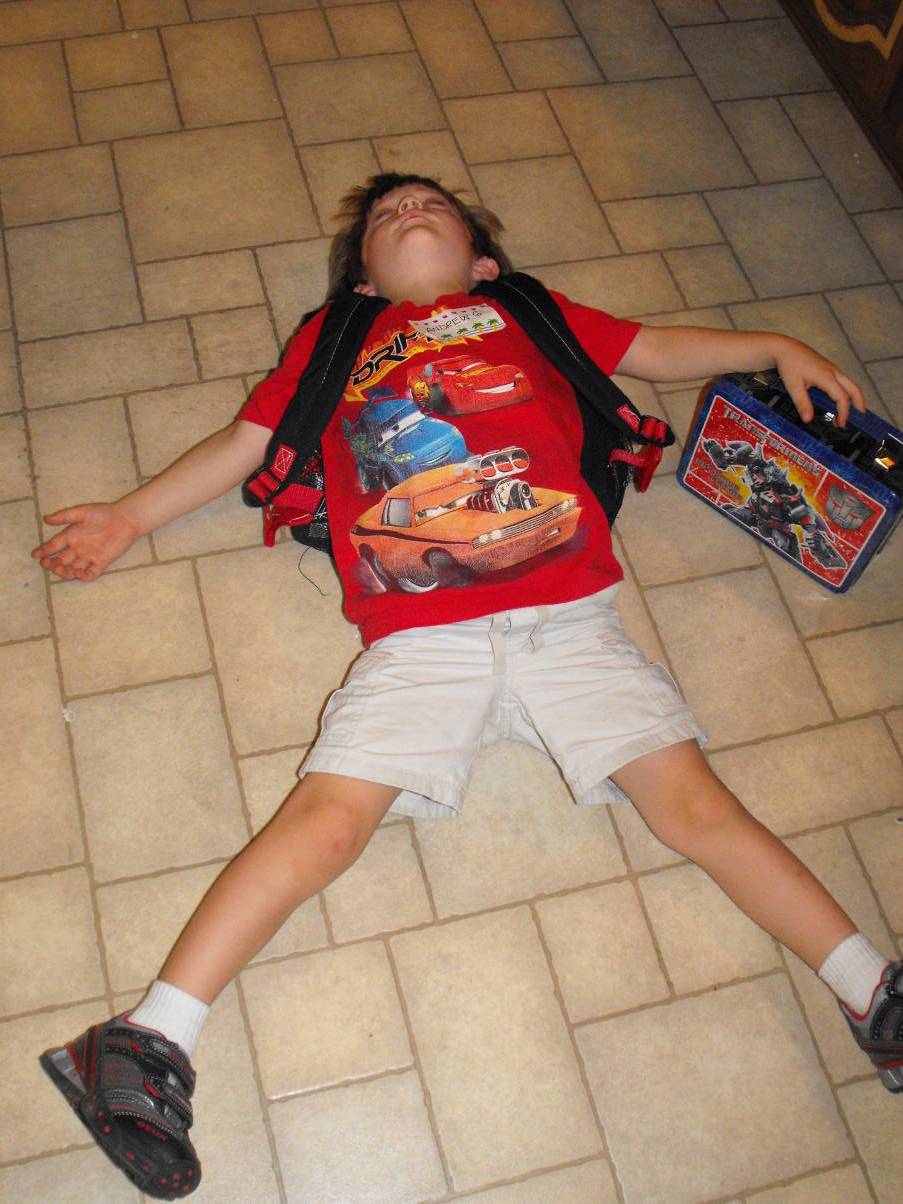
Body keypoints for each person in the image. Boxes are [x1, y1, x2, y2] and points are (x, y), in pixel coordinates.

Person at [33, 173, 901, 1200]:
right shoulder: (336, 337)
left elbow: (650, 347)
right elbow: (247, 444)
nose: (406, 212)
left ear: (483, 260)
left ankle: (872, 992)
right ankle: (144, 1040)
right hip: (419, 634)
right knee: (325, 824)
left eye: (431, 207)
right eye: (384, 218)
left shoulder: (522, 309)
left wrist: (770, 346)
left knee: (696, 806)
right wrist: (131, 517)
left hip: (571, 621)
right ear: (362, 277)